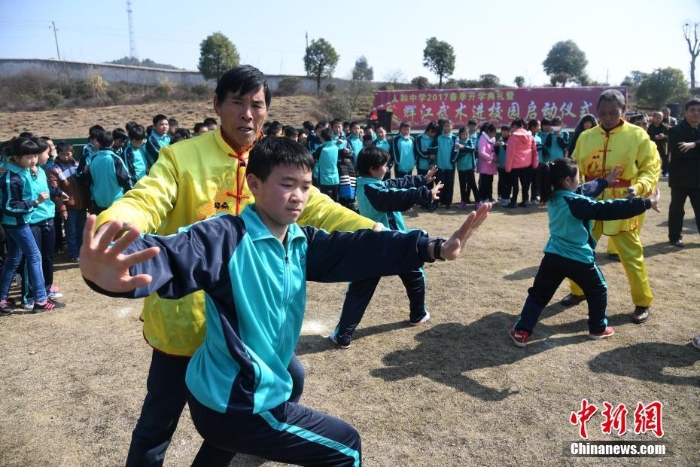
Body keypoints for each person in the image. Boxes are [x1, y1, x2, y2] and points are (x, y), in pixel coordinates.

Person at [81, 137, 491, 466]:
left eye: (305, 187)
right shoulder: (225, 237)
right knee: (346, 447)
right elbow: (173, 254)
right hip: (236, 403)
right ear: (254, 185)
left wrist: (433, 247)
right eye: (286, 184)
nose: (298, 197)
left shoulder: (299, 240)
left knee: (293, 376)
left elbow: (358, 248)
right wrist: (111, 277)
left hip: (233, 393)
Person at [92, 65, 381, 467]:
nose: (248, 113)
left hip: (245, 328)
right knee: (158, 424)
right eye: (238, 102)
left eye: (257, 104)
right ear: (217, 105)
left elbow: (322, 208)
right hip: (186, 325)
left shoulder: (272, 159)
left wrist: (377, 233)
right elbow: (146, 199)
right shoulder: (181, 157)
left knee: (283, 384)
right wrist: (114, 229)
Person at [509, 158, 660, 347]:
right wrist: (645, 203)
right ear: (567, 181)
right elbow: (609, 208)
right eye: (578, 177)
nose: (580, 180)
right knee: (598, 290)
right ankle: (597, 328)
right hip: (579, 260)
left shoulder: (554, 196)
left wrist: (605, 181)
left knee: (538, 295)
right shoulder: (577, 203)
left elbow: (584, 190)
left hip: (553, 257)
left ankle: (522, 331)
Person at [330, 147, 446, 348]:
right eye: (384, 165)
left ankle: (344, 335)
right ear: (374, 168)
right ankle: (417, 314)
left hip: (386, 242)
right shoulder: (373, 190)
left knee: (405, 278)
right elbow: (392, 197)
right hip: (387, 243)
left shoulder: (369, 183)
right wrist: (424, 194)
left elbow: (395, 184)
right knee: (407, 278)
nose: (387, 168)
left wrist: (422, 179)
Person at [564, 89, 660, 324]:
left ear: (624, 110)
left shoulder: (638, 135)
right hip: (591, 200)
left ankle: (642, 301)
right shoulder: (586, 137)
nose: (607, 118)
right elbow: (574, 166)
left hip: (623, 202)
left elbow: (650, 166)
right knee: (580, 247)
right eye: (603, 113)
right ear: (597, 112)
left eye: (613, 113)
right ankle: (578, 291)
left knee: (631, 254)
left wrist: (639, 187)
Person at [0, 137, 64, 314]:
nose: (33, 160)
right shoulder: (12, 178)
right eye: (28, 157)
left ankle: (2, 299)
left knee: (13, 259)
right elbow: (10, 206)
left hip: (19, 222)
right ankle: (40, 301)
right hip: (17, 224)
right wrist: (35, 202)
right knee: (35, 257)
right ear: (17, 157)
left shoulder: (21, 170)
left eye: (35, 156)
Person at [23, 137, 69, 307]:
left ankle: (46, 288)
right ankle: (30, 295)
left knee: (48, 257)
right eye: (46, 152)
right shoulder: (24, 173)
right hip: (33, 221)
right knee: (34, 259)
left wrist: (57, 193)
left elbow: (47, 188)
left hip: (48, 217)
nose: (49, 155)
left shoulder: (41, 171)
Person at [48, 141, 89, 262]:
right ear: (58, 154)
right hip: (69, 205)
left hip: (81, 204)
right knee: (71, 232)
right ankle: (74, 254)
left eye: (68, 154)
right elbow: (56, 192)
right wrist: (62, 209)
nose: (65, 156)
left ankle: (83, 253)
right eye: (62, 154)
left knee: (82, 230)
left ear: (72, 153)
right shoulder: (54, 170)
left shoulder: (77, 165)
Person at [667, 98, 700, 248]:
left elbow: (689, 151)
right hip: (680, 177)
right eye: (692, 110)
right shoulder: (676, 130)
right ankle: (675, 237)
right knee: (677, 209)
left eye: (699, 110)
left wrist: (694, 145)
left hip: (698, 177)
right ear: (685, 112)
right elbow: (679, 152)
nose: (696, 113)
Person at [85, 130, 132, 215]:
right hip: (116, 202)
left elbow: (91, 180)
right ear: (112, 142)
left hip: (99, 202)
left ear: (98, 142)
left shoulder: (93, 159)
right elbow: (125, 179)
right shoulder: (115, 159)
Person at [505, 118, 538, 208]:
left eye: (512, 126)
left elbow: (510, 153)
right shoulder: (530, 136)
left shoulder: (513, 137)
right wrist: (535, 163)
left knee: (515, 185)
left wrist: (508, 167)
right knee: (525, 183)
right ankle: (525, 200)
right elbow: (535, 151)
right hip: (527, 164)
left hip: (515, 165)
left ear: (515, 126)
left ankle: (513, 201)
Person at [435, 119, 458, 209]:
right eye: (445, 126)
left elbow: (457, 152)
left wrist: (452, 161)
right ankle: (436, 202)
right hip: (440, 166)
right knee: (439, 184)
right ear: (442, 127)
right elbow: (435, 150)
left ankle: (448, 203)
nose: (447, 127)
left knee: (449, 185)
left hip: (450, 166)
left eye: (449, 125)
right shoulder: (439, 138)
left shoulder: (455, 138)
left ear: (452, 127)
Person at [312, 127, 340, 201]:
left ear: (322, 138)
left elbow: (313, 158)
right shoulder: (335, 147)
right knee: (335, 201)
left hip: (325, 180)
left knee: (326, 202)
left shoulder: (321, 149)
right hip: (335, 179)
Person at [455, 126, 479, 208]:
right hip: (461, 168)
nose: (465, 135)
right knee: (462, 185)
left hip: (469, 168)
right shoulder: (457, 143)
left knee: (473, 185)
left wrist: (463, 147)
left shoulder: (470, 141)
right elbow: (454, 154)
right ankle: (463, 201)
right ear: (460, 135)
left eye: (466, 134)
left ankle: (478, 201)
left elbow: (472, 149)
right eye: (463, 134)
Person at [476, 122, 498, 207]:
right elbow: (481, 153)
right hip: (485, 166)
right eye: (493, 133)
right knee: (483, 183)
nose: (494, 134)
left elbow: (493, 150)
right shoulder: (482, 138)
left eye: (495, 133)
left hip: (491, 166)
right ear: (489, 132)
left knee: (489, 182)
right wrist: (492, 158)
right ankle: (480, 199)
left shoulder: (493, 139)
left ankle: (488, 198)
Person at [648, 111, 670, 177]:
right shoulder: (649, 127)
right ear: (653, 118)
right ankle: (651, 171)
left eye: (660, 118)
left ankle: (665, 171)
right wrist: (654, 137)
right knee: (651, 159)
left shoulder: (665, 127)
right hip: (652, 145)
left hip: (663, 145)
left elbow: (670, 136)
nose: (658, 119)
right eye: (657, 117)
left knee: (665, 158)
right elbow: (646, 135)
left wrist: (663, 136)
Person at [495, 125, 511, 206]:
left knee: (509, 182)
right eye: (503, 131)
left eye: (506, 131)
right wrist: (496, 146)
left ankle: (507, 196)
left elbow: (509, 149)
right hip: (501, 165)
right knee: (502, 181)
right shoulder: (499, 139)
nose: (504, 133)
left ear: (509, 132)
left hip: (509, 165)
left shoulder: (511, 140)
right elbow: (496, 152)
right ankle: (502, 196)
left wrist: (504, 145)